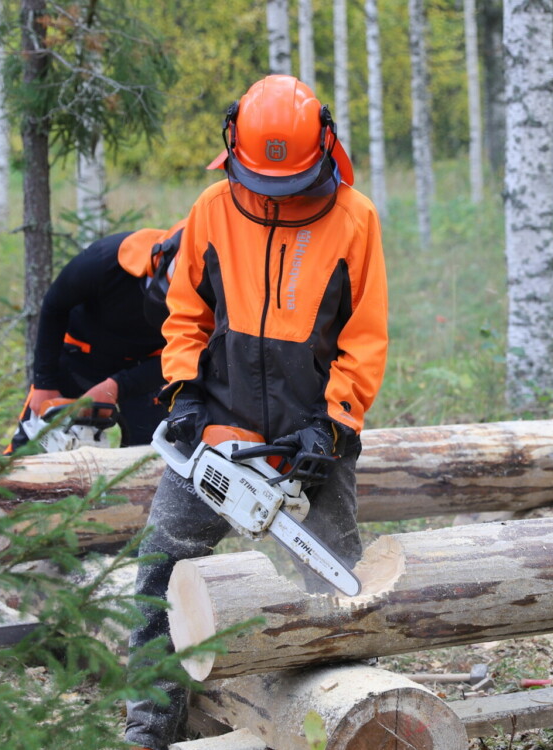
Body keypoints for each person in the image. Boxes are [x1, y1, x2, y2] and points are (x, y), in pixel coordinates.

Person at [124, 74, 387, 750]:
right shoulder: (213, 208)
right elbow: (186, 312)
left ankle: (348, 716)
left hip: (312, 431)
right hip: (221, 424)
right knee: (161, 565)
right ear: (233, 150)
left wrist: (334, 424)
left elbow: (364, 336)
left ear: (323, 151)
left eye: (290, 182)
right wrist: (183, 392)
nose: (277, 194)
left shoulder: (355, 218)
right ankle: (149, 726)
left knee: (335, 588)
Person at [6, 221, 186, 453]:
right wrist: (44, 383)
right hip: (80, 353)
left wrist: (118, 386)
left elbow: (189, 352)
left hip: (148, 367)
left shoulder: (213, 290)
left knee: (152, 455)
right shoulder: (107, 259)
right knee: (28, 448)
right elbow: (54, 305)